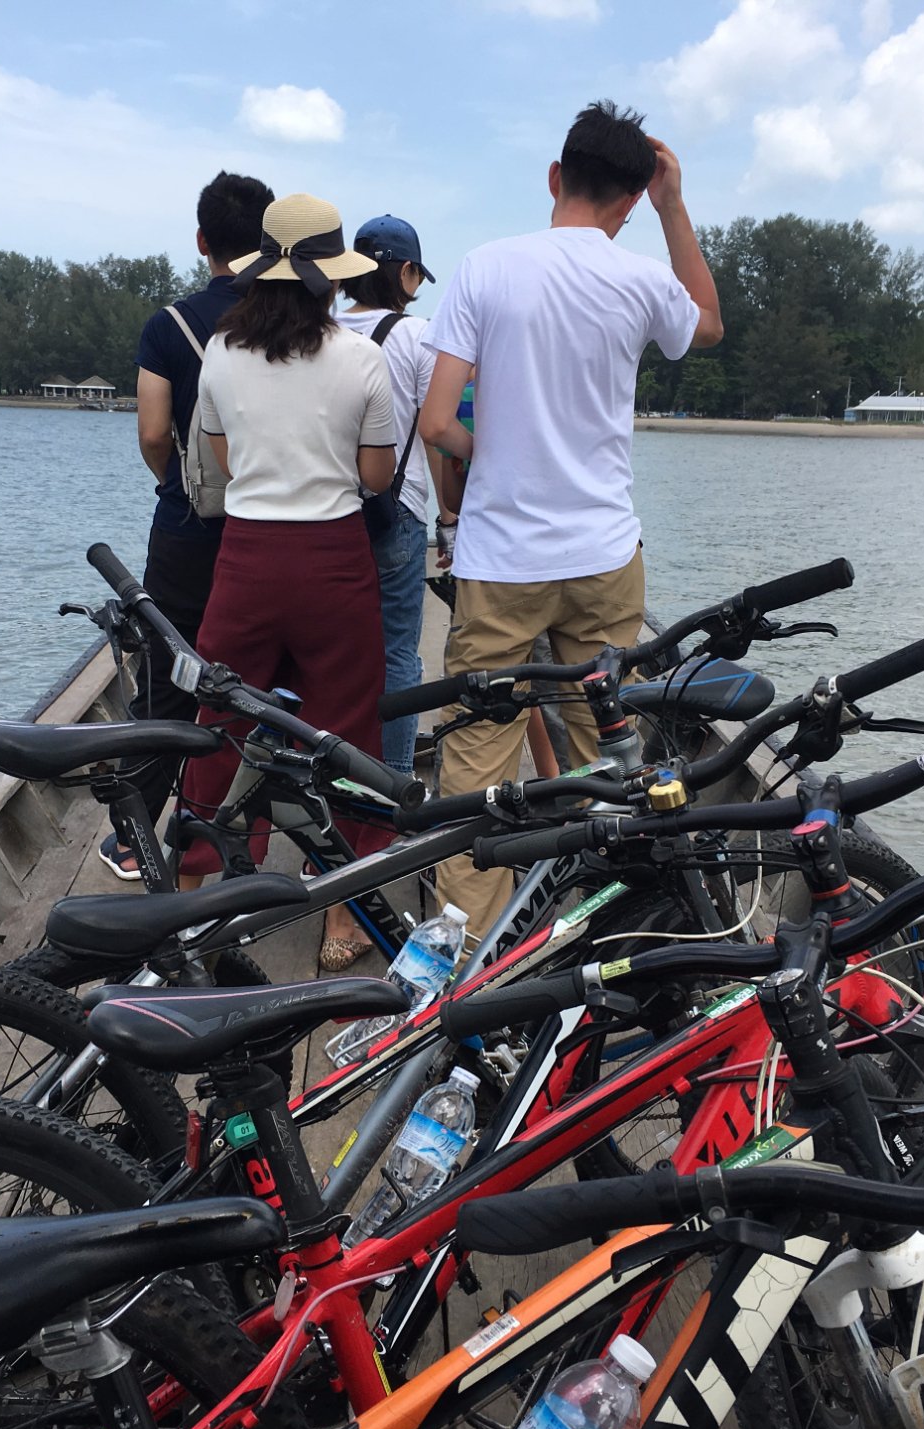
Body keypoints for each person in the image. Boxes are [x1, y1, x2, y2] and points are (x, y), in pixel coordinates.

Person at [416, 100, 725, 944]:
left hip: (502, 560)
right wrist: (674, 206)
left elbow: (437, 421)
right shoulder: (637, 280)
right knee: (611, 743)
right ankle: (628, 921)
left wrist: (491, 454)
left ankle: (455, 959)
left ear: (555, 178)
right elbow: (708, 323)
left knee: (479, 758)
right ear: (629, 202)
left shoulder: (485, 267)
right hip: (602, 556)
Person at [177, 193, 400, 970]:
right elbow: (377, 478)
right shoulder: (362, 359)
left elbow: (223, 459)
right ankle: (343, 914)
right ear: (328, 279)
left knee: (220, 719)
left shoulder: (221, 351)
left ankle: (196, 881)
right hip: (334, 561)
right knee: (346, 732)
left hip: (246, 558)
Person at [106, 170, 275, 880]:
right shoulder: (285, 317)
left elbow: (151, 430)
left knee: (166, 685)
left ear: (202, 240)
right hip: (266, 528)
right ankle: (238, 829)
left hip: (185, 528)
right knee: (259, 684)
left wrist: (174, 483)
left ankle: (134, 836)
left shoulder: (167, 325)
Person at [333, 215, 465, 776]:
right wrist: (451, 522)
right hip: (396, 515)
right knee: (396, 658)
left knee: (333, 657)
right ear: (406, 273)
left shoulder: (318, 330)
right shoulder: (416, 336)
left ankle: (333, 786)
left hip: (327, 517)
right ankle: (391, 790)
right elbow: (437, 440)